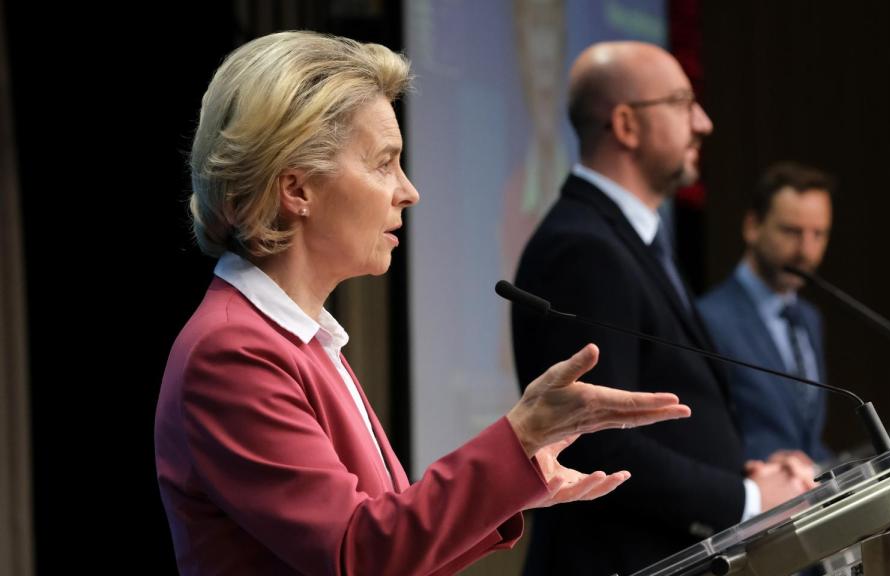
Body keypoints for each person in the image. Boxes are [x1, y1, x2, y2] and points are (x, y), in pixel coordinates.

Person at [153, 31, 693, 576]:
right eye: (383, 163)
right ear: (296, 189)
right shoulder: (232, 354)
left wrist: (516, 476)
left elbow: (386, 553)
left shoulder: (300, 340)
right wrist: (518, 437)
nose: (408, 191)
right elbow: (357, 554)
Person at [511, 41, 814, 576]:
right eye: (681, 103)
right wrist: (745, 499)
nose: (704, 122)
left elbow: (664, 422)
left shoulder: (632, 239)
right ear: (626, 125)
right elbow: (594, 440)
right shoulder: (584, 248)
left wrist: (748, 475)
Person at [698, 162, 835, 462]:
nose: (806, 251)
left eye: (818, 234)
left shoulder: (810, 318)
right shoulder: (708, 319)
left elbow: (806, 437)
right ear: (752, 227)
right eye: (791, 231)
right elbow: (702, 434)